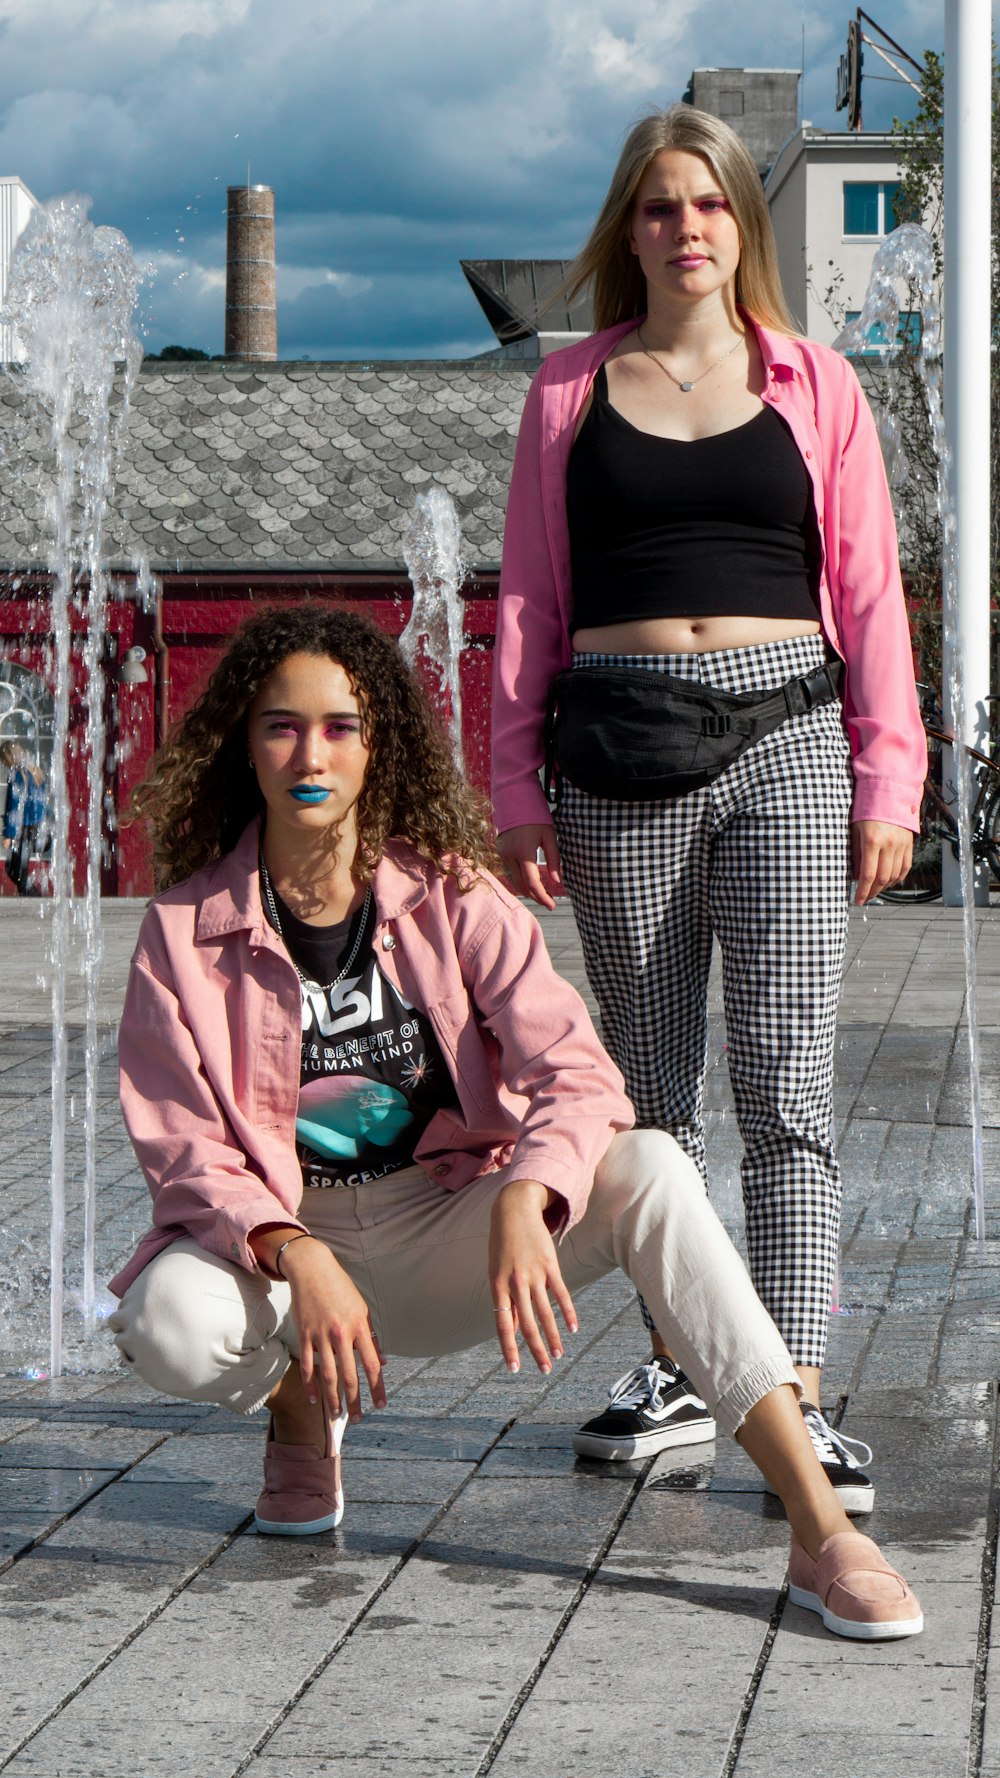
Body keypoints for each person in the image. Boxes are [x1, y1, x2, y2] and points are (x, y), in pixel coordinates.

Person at [108, 604, 920, 1641]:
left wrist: (530, 1188)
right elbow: (182, 1149)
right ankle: (302, 1410)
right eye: (281, 724)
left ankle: (816, 1526)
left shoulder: (449, 896)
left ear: (378, 745)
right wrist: (292, 1247)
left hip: (445, 1228)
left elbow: (578, 1075)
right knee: (162, 1320)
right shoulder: (183, 930)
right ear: (243, 741)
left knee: (653, 1166)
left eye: (341, 726)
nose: (311, 752)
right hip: (286, 1256)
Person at [491, 107, 926, 1507]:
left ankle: (793, 1378)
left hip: (787, 734)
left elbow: (868, 596)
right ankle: (690, 1363)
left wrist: (889, 775)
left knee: (788, 1081)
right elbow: (525, 605)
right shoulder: (565, 394)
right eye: (660, 207)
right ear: (629, 230)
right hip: (614, 749)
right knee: (653, 1094)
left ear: (746, 224)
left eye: (712, 205)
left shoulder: (819, 384)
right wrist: (514, 784)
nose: (688, 228)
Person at [1, 740, 47, 896]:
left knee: (15, 869)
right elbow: (42, 800)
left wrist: (8, 834)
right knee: (20, 867)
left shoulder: (16, 774)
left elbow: (12, 806)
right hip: (37, 826)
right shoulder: (34, 771)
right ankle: (30, 895)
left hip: (25, 827)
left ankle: (33, 896)